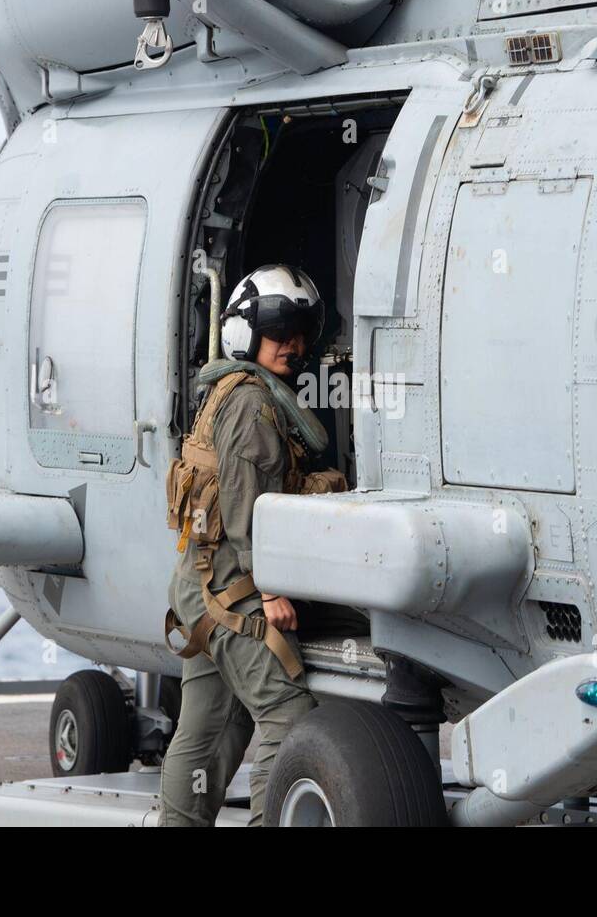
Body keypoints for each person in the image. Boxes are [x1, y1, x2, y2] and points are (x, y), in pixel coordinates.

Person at [158, 263, 344, 826]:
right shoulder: (252, 404)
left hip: (200, 584)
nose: (294, 343)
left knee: (209, 731)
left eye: (300, 332)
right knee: (287, 712)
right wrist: (269, 591)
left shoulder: (230, 389)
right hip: (232, 588)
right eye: (280, 329)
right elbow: (249, 505)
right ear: (248, 331)